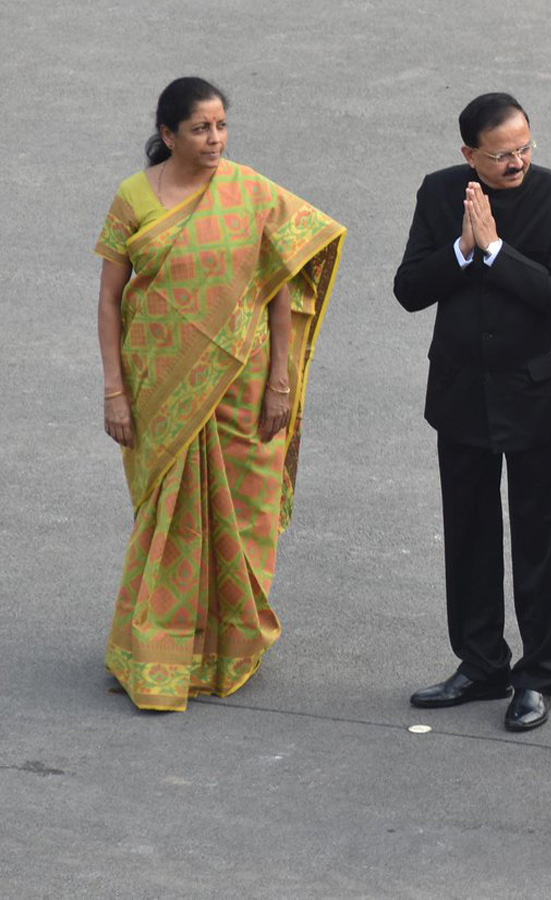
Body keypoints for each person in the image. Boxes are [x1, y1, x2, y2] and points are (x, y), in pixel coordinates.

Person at [95, 77, 346, 712]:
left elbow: (280, 287)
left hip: (245, 387)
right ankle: (154, 650)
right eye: (202, 129)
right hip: (162, 388)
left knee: (242, 517)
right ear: (168, 134)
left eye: (222, 126)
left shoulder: (250, 191)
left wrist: (281, 383)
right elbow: (108, 301)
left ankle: (229, 650)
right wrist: (114, 393)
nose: (215, 140)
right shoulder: (133, 198)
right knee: (169, 520)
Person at [394, 93, 551, 732]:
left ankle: (537, 676)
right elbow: (409, 289)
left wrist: (497, 250)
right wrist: (461, 249)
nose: (517, 162)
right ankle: (480, 664)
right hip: (461, 393)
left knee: (539, 536)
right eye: (502, 154)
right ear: (469, 154)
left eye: (525, 148)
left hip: (533, 395)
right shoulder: (440, 191)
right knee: (469, 530)